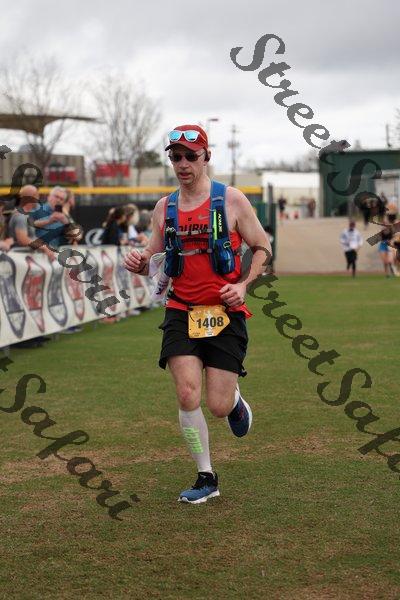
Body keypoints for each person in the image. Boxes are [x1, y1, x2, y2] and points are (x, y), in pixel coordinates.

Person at [124, 124, 271, 504]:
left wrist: (243, 285)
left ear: (207, 157)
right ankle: (206, 476)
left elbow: (262, 247)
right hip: (180, 309)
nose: (183, 163)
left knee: (217, 406)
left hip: (224, 311)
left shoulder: (231, 199)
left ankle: (234, 402)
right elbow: (153, 257)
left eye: (191, 156)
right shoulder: (164, 207)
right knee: (187, 393)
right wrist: (139, 261)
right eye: (176, 157)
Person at [8, 185, 55, 262]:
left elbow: (31, 236)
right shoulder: (20, 216)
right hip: (21, 260)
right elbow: (22, 239)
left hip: (24, 258)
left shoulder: (25, 215)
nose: (38, 199)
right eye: (37, 196)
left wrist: (45, 246)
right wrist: (43, 247)